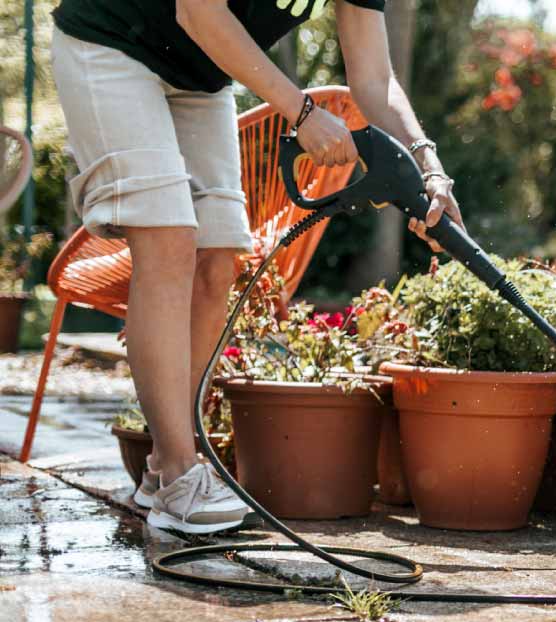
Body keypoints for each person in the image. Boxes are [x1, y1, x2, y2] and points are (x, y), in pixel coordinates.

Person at [49, 0, 462, 534]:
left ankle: (163, 465)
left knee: (218, 258)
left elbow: (375, 78)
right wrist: (303, 113)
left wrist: (427, 164)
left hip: (201, 76)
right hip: (110, 43)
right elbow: (199, 13)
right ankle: (179, 471)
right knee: (168, 239)